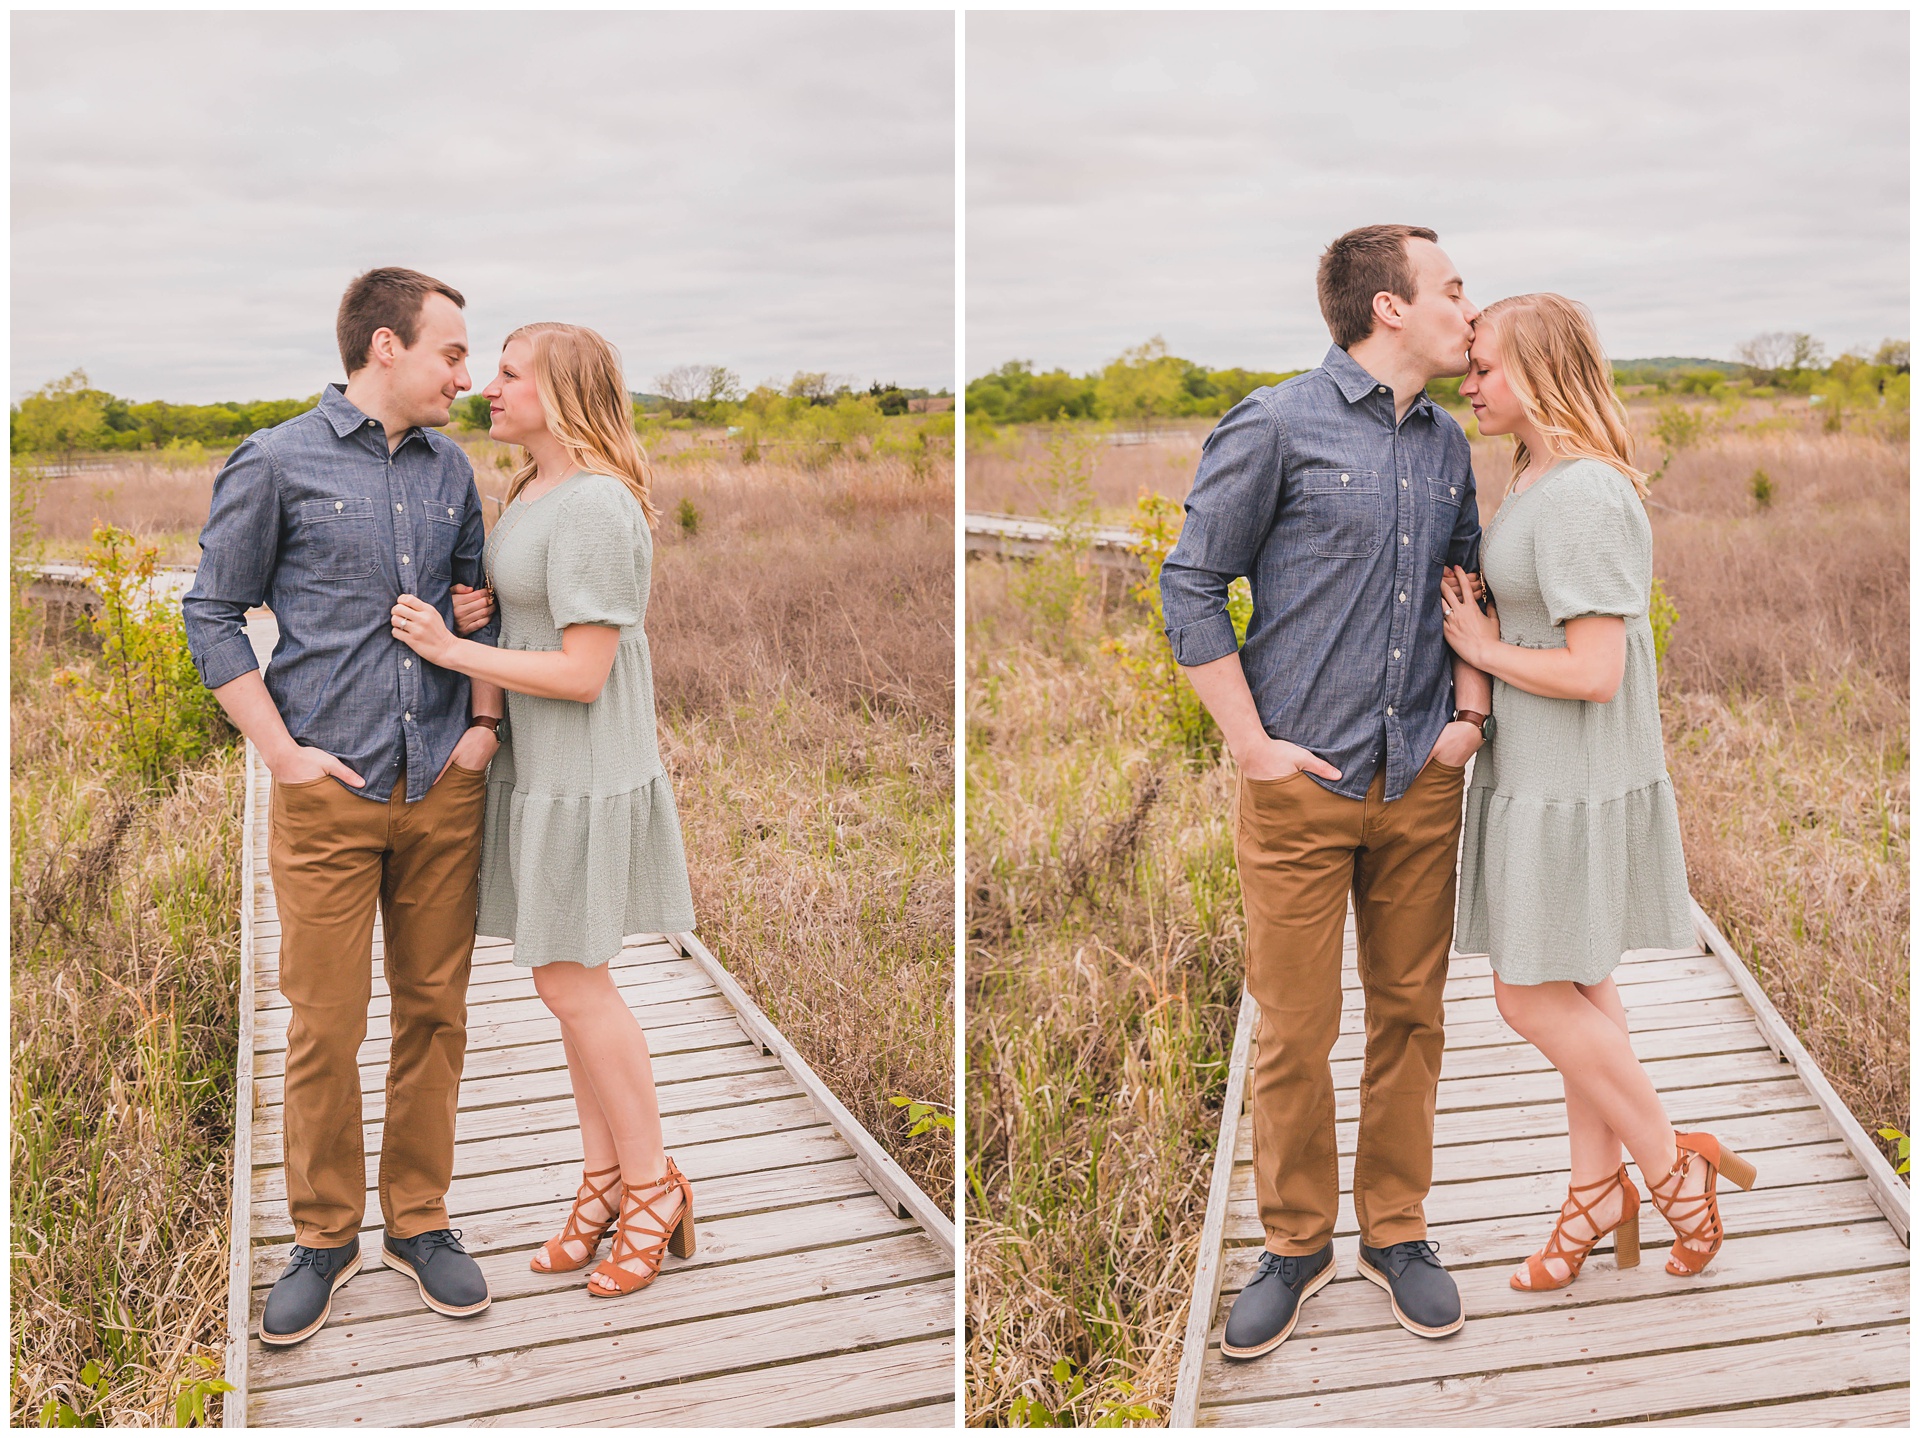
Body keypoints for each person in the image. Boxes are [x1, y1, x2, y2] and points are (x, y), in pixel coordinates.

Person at [1162, 225, 1490, 1359]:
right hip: (1300, 787)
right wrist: (1250, 744)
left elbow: (1468, 587)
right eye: (1452, 288)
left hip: (1419, 788)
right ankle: (1295, 1246)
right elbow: (1193, 582)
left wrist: (1470, 721)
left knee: (1412, 1017)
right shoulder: (1275, 422)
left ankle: (1398, 1232)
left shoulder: (1450, 442)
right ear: (1388, 307)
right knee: (1296, 1031)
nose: (1468, 307)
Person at [184, 267, 502, 1347]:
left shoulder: (454, 468)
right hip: (330, 793)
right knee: (325, 1024)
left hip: (440, 792)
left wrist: (480, 730)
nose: (468, 373)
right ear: (384, 348)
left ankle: (420, 1221)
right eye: (453, 352)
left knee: (436, 1013)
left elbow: (476, 609)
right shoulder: (275, 460)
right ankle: (323, 1238)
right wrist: (280, 753)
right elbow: (213, 613)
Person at [1445, 293, 1756, 1294]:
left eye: (1484, 366)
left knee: (1527, 992)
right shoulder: (1536, 472)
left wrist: (1483, 646)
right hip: (1537, 769)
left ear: (1537, 370)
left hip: (1571, 775)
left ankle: (1669, 1164)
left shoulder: (1581, 491)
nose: (1469, 382)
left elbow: (1594, 670)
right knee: (1578, 984)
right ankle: (1595, 1193)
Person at [390, 320, 699, 1299]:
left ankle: (654, 1186)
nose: (488, 384)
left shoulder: (600, 504)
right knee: (566, 982)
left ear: (560, 393)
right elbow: (534, 609)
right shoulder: (531, 488)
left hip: (585, 769)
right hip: (540, 768)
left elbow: (582, 670)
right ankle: (605, 1179)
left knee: (575, 986)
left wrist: (452, 649)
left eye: (511, 374)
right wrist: (486, 614)